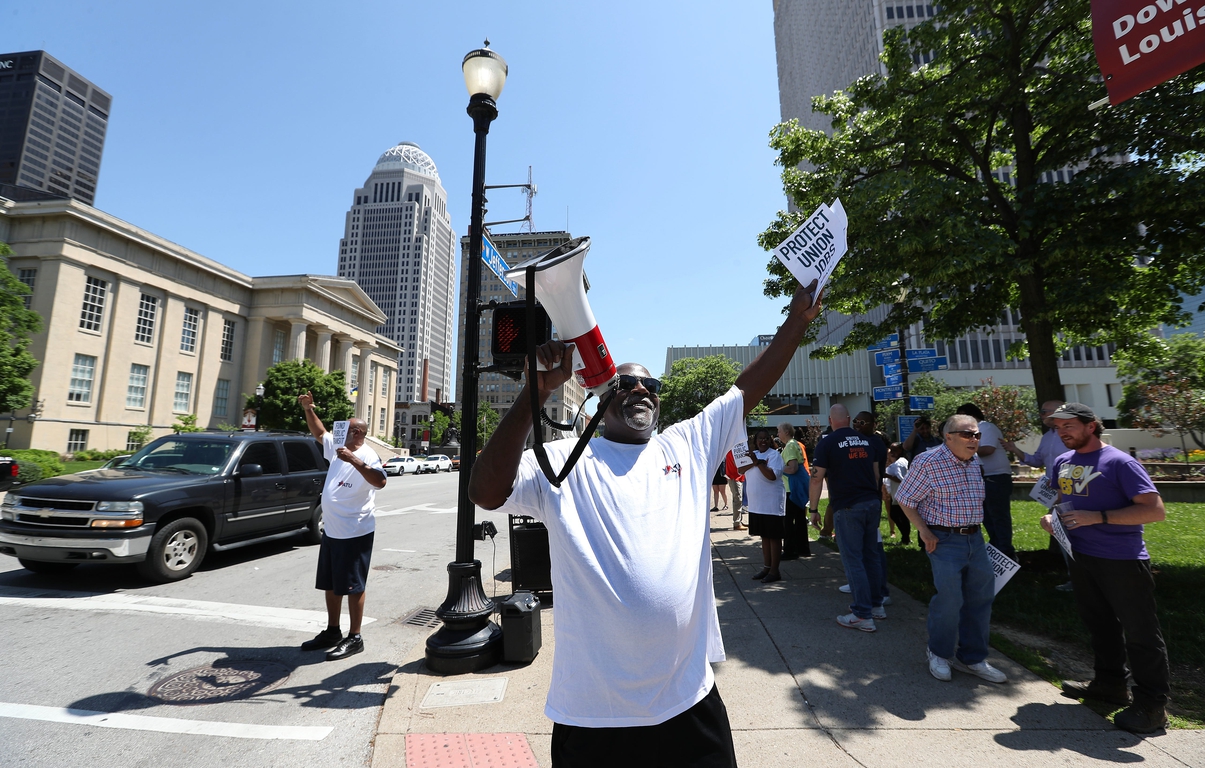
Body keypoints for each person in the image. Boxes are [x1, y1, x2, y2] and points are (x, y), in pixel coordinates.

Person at [468, 282, 823, 767]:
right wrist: (535, 394)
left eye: (650, 386)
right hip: (594, 715)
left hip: (688, 701)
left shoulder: (688, 446)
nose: (639, 390)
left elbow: (748, 386)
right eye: (623, 383)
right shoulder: (561, 460)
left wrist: (797, 321)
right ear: (597, 401)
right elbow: (485, 492)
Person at [1042, 403, 1170, 734]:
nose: (1063, 431)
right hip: (1080, 556)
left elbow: (1155, 511)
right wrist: (1053, 519)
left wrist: (1099, 518)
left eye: (1069, 425)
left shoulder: (1119, 462)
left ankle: (1152, 706)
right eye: (1058, 427)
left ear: (1091, 426)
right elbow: (1064, 501)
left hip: (1121, 559)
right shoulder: (1062, 462)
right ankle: (1110, 685)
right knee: (1100, 624)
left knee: (1140, 632)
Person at [894, 414, 1008, 684]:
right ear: (948, 436)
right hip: (943, 539)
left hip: (975, 539)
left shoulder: (973, 460)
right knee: (950, 599)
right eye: (968, 434)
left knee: (981, 598)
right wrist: (923, 531)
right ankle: (939, 653)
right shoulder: (928, 461)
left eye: (977, 435)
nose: (975, 440)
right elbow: (905, 498)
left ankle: (971, 658)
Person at [297, 393, 387, 661]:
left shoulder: (367, 454)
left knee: (353, 585)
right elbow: (319, 431)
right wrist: (308, 408)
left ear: (357, 432)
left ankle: (355, 637)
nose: (338, 432)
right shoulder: (336, 448)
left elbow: (380, 481)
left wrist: (354, 461)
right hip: (333, 531)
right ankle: (333, 630)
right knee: (331, 583)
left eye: (345, 429)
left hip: (354, 531)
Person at [809, 404, 886, 632]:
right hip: (871, 503)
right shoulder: (867, 441)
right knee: (871, 555)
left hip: (848, 505)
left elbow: (816, 479)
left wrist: (813, 509)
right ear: (850, 419)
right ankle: (877, 605)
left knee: (854, 560)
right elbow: (876, 474)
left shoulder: (827, 442)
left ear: (831, 420)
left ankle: (862, 614)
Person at [1003, 399, 1072, 590]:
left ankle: (1086, 579)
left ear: (1058, 411)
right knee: (1064, 537)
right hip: (1054, 494)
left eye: (1044, 411)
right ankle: (1075, 578)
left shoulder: (1071, 434)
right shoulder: (1047, 437)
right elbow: (1036, 461)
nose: (1041, 415)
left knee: (1077, 536)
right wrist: (1015, 449)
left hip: (1073, 492)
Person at [958, 403, 1016, 560]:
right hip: (982, 478)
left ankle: (1006, 552)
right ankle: (996, 547)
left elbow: (988, 449)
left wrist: (961, 450)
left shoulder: (986, 427)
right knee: (987, 516)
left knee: (998, 515)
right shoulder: (971, 432)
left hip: (996, 477)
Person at [747, 428, 787, 583]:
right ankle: (766, 567)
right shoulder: (754, 455)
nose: (762, 441)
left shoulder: (774, 455)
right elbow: (740, 469)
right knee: (764, 536)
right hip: (757, 505)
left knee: (774, 537)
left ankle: (775, 571)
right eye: (759, 439)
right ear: (755, 441)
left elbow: (772, 476)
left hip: (771, 503)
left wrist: (758, 463)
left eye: (765, 438)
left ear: (770, 440)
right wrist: (751, 460)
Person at [777, 421, 811, 559]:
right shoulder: (794, 444)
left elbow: (792, 468)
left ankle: (790, 550)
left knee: (788, 521)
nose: (777, 433)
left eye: (779, 430)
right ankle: (803, 549)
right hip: (796, 487)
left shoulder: (790, 446)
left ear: (786, 432)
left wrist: (777, 468)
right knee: (800, 519)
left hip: (791, 488)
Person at [883, 442, 911, 545]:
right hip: (898, 495)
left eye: (895, 450)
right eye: (891, 450)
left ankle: (906, 538)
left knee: (897, 516)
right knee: (898, 516)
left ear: (901, 450)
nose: (892, 452)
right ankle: (905, 538)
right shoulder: (902, 461)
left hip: (900, 495)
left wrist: (887, 475)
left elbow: (901, 479)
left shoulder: (899, 464)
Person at [724, 450, 746, 531]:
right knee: (738, 499)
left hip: (737, 477)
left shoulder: (733, 449)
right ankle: (737, 523)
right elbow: (737, 464)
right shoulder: (733, 450)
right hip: (734, 477)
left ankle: (739, 521)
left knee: (738, 499)